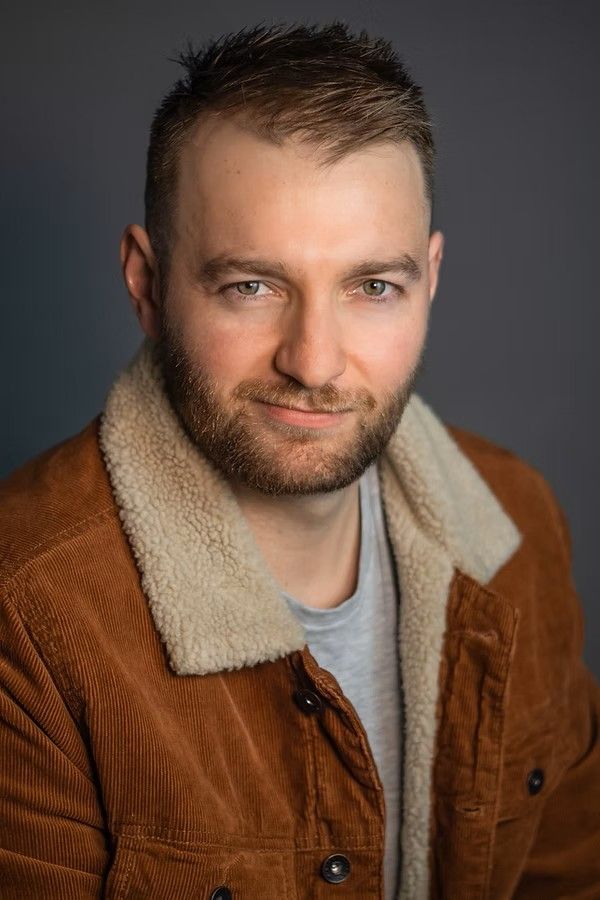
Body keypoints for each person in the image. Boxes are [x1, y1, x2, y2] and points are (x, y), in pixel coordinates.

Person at [0, 20, 598, 900]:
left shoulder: (518, 524)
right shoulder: (25, 613)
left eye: (373, 286)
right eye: (252, 286)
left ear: (430, 281)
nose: (314, 363)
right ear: (147, 285)